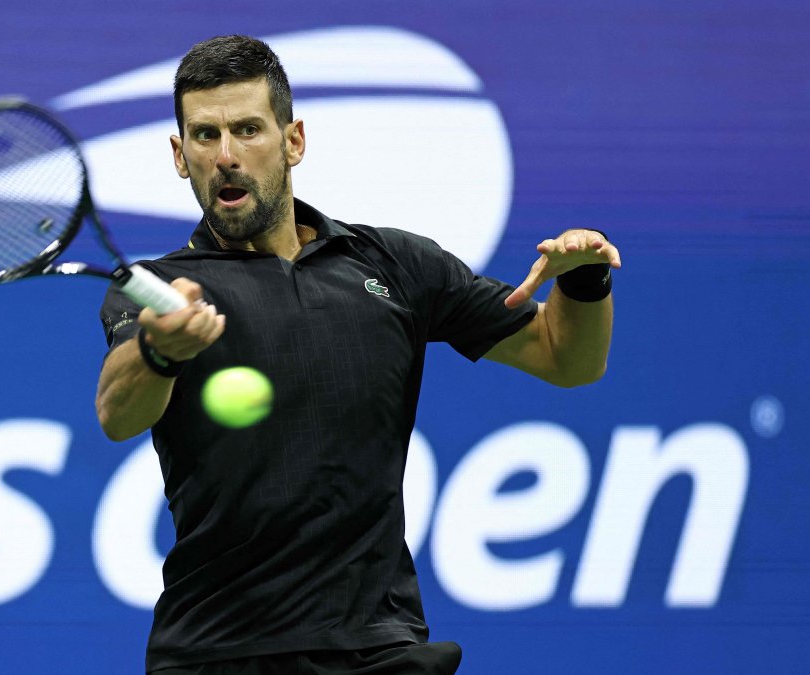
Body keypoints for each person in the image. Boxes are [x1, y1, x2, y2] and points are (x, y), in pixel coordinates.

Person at [96, 35, 619, 675]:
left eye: (248, 130)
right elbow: (117, 413)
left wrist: (585, 279)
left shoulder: (395, 265)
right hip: (218, 651)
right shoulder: (158, 289)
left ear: (294, 141)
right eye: (206, 136)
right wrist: (159, 349)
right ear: (181, 155)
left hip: (379, 647)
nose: (226, 156)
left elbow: (566, 358)